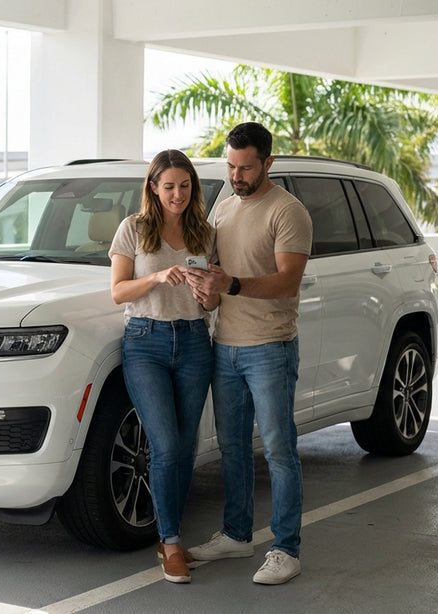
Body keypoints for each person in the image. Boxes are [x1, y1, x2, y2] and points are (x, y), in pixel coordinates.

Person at [186, 122, 313, 585]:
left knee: (279, 450)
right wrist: (206, 292)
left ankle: (286, 549)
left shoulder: (288, 211)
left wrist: (232, 284)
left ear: (268, 163)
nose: (236, 176)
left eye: (245, 168)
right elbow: (218, 284)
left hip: (271, 348)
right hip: (226, 348)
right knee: (233, 448)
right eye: (231, 166)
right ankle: (238, 535)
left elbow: (288, 280)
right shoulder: (222, 210)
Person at [108, 149, 219, 584]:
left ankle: (168, 539)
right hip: (145, 343)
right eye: (169, 186)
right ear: (153, 188)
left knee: (186, 448)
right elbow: (118, 291)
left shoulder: (205, 233)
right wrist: (157, 276)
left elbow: (212, 300)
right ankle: (170, 542)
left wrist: (207, 290)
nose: (178, 194)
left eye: (185, 186)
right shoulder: (133, 229)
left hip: (194, 341)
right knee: (167, 446)